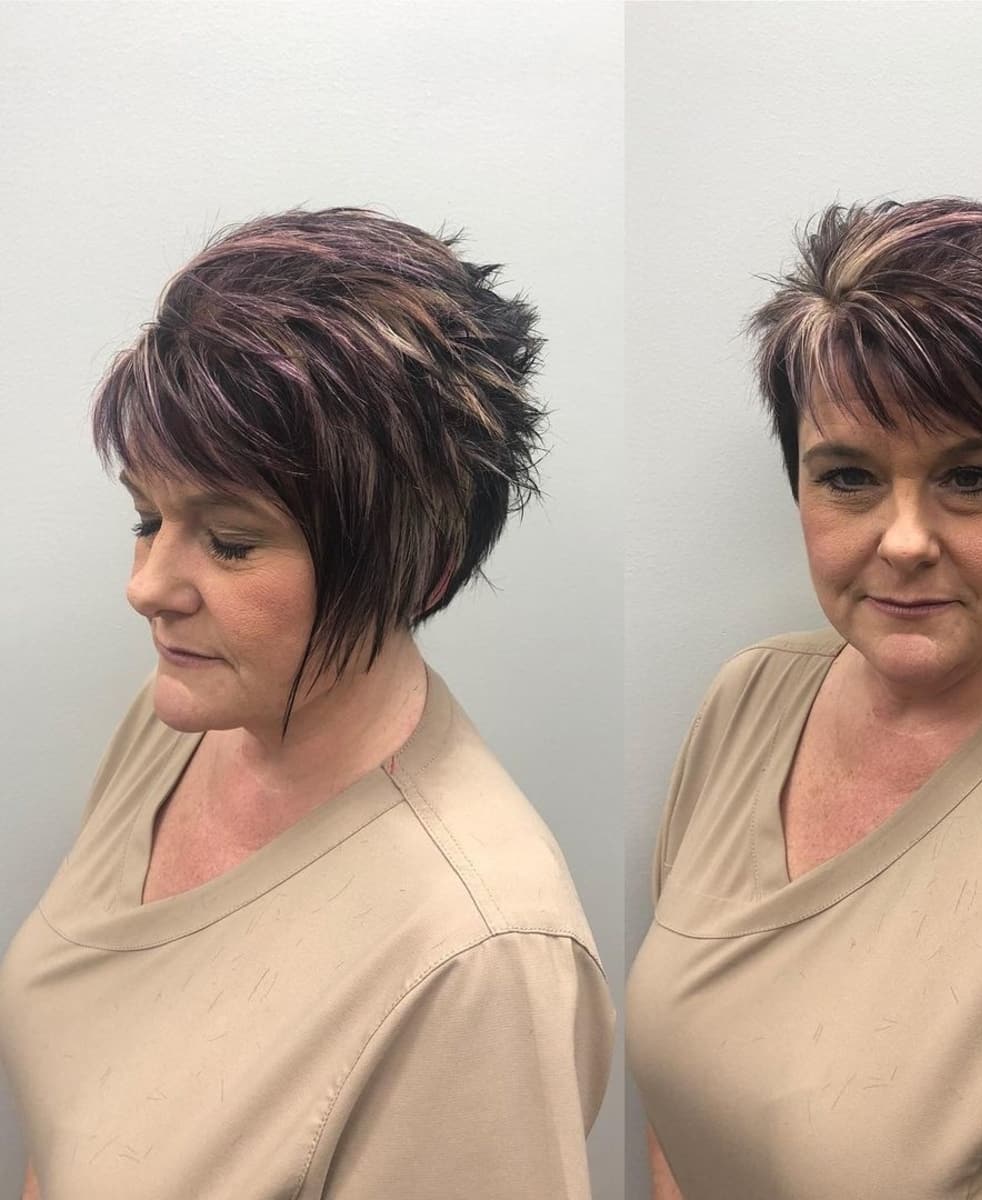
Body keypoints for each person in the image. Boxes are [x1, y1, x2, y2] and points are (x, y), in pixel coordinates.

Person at [0, 207, 613, 1199]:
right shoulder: (180, 722)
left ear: (421, 567)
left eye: (231, 542)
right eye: (147, 517)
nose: (147, 587)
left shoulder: (480, 960)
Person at [627, 197, 982, 1198]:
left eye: (969, 478)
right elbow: (681, 1098)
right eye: (848, 477)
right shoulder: (747, 700)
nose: (903, 541)